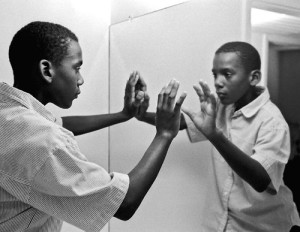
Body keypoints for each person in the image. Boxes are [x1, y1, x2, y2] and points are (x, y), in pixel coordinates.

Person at [0, 21, 186, 231]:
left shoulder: (11, 113)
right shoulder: (41, 139)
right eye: (76, 68)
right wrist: (165, 133)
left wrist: (123, 114)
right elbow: (124, 204)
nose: (81, 79)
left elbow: (60, 125)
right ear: (47, 70)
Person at [137, 41, 300, 231]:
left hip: (264, 226)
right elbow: (184, 122)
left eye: (227, 74)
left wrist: (215, 135)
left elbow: (261, 179)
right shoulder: (224, 108)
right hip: (222, 224)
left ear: (253, 77)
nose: (218, 82)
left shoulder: (272, 123)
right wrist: (140, 115)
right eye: (215, 74)